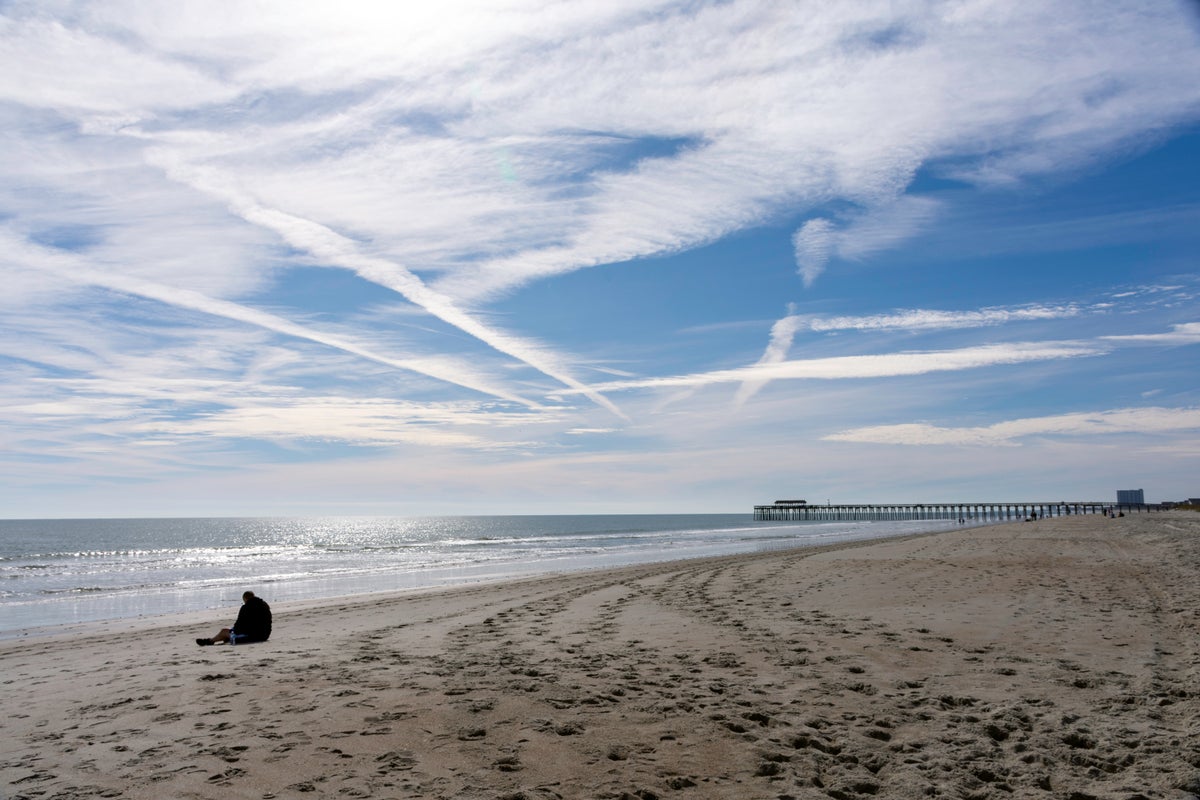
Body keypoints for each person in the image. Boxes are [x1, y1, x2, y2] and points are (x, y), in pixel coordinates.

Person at [196, 590, 272, 646]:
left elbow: (239, 625)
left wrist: (233, 630)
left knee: (224, 631)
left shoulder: (246, 607)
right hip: (265, 634)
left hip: (253, 636)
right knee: (228, 634)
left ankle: (210, 641)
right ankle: (216, 640)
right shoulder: (264, 605)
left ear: (245, 599)